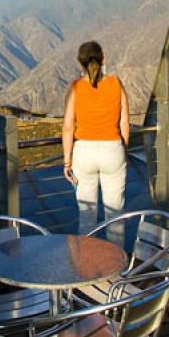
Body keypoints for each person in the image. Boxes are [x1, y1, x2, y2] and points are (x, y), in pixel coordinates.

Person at [62, 40, 129, 243]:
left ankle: (88, 268)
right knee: (115, 217)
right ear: (103, 59)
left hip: (84, 152)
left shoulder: (75, 88)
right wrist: (123, 151)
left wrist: (67, 162)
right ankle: (116, 271)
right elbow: (125, 122)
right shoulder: (116, 83)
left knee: (87, 217)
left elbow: (67, 127)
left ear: (80, 63)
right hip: (113, 150)